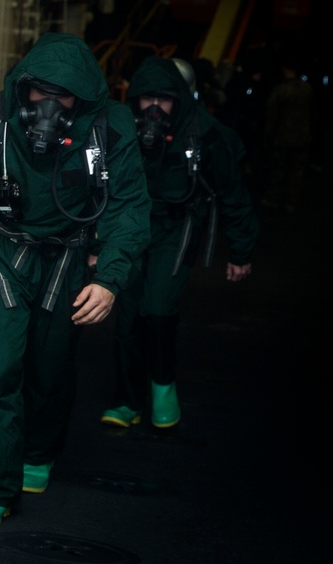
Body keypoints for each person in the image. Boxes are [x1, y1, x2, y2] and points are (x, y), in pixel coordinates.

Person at [0, 33, 152, 526]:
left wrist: (110, 278)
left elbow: (129, 209)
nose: (48, 104)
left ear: (83, 99)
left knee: (48, 370)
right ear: (24, 88)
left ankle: (37, 450)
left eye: (64, 95)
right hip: (1, 250)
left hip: (67, 259)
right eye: (39, 92)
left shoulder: (110, 130)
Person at [99, 55, 259, 432]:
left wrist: (241, 251)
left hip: (178, 226)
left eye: (165, 99)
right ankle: (127, 400)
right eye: (147, 99)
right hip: (132, 226)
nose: (155, 108)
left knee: (156, 308)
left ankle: (162, 384)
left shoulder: (205, 133)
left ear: (179, 99)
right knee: (126, 314)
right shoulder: (121, 130)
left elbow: (234, 192)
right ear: (135, 98)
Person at [259, 56, 315, 214]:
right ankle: (292, 201)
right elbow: (313, 114)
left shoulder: (280, 90)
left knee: (278, 169)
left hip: (282, 137)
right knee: (296, 170)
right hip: (302, 136)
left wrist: (267, 137)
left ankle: (273, 198)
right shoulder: (307, 89)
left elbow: (271, 116)